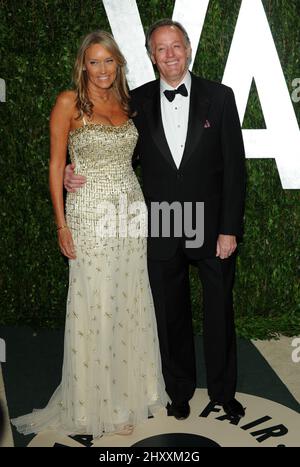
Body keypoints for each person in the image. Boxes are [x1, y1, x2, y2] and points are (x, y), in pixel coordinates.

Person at [64, 20, 246, 421]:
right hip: (161, 222)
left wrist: (229, 228)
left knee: (219, 311)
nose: (170, 56)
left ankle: (223, 392)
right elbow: (107, 147)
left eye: (176, 47)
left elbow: (235, 168)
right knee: (170, 313)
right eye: (161, 49)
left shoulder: (220, 97)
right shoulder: (137, 101)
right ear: (151, 56)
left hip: (211, 224)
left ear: (188, 49)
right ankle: (178, 391)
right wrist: (68, 170)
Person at [11, 30, 168, 439]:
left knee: (131, 296)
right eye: (94, 61)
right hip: (89, 215)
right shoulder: (69, 103)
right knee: (96, 302)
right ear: (83, 64)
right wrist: (61, 223)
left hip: (130, 212)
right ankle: (99, 402)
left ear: (119, 64)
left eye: (109, 61)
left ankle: (137, 389)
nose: (102, 69)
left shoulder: (128, 101)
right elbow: (54, 164)